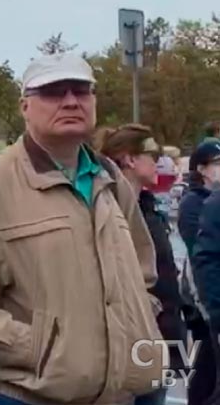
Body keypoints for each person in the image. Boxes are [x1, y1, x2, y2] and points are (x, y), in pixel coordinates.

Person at [0, 53, 163, 405]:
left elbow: (143, 272)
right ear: (25, 106)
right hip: (28, 396)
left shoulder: (110, 178)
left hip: (129, 391)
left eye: (81, 90)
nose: (71, 101)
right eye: (54, 92)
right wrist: (48, 351)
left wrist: (138, 332)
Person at [97, 124, 188, 405]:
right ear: (130, 159)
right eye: (152, 154)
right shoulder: (107, 211)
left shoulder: (148, 208)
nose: (160, 162)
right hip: (131, 341)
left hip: (161, 336)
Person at [184, 141, 220, 405]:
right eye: (217, 164)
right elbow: (200, 255)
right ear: (202, 168)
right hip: (201, 305)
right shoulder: (194, 203)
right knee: (204, 373)